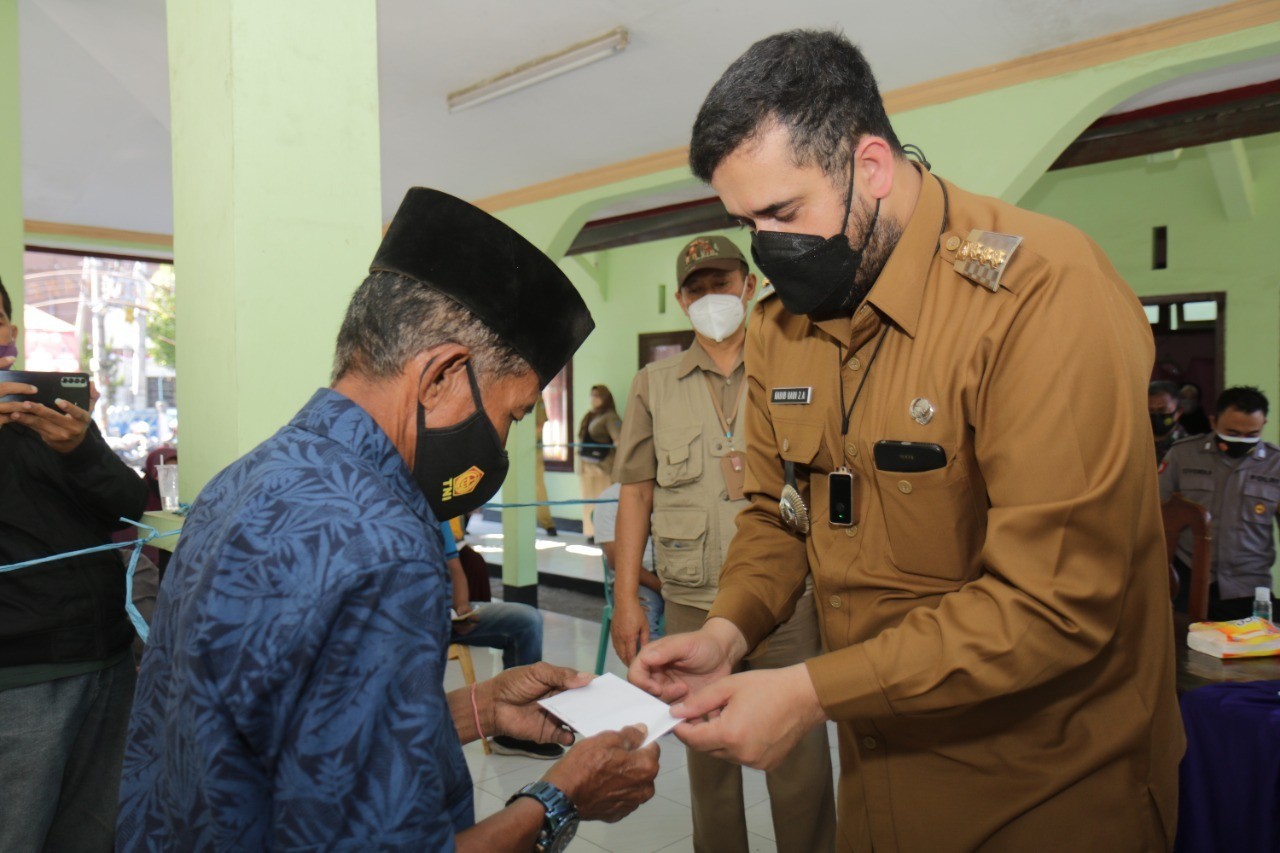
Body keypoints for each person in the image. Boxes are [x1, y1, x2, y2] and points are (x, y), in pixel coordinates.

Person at [630, 31, 1182, 851]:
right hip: (879, 772)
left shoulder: (1041, 297)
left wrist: (810, 692)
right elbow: (779, 513)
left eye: (783, 212)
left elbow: (1053, 603)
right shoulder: (786, 324)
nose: (769, 249)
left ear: (874, 167)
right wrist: (729, 630)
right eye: (748, 223)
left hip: (1045, 791)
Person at [117, 188, 659, 851]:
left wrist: (477, 709)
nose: (504, 441)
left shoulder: (248, 477)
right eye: (513, 414)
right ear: (442, 376)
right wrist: (560, 797)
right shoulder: (389, 548)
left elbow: (277, 734)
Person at [613, 235, 836, 852]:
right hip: (691, 600)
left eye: (723, 282)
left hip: (787, 600)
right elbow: (636, 494)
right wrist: (627, 599)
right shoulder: (654, 384)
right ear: (682, 300)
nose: (712, 296)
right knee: (707, 763)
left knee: (800, 760)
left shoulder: (793, 366)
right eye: (697, 287)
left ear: (751, 284)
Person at [0, 277, 148, 853]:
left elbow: (130, 507)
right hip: (21, 676)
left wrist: (82, 448)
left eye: (7, 317)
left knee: (96, 832)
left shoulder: (44, 412)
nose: (7, 331)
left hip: (106, 655)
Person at [441, 520, 564, 758]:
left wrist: (462, 608)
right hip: (407, 626)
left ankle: (513, 734)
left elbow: (454, 566)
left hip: (446, 616)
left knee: (525, 620)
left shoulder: (434, 512)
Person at [1160, 385, 1279, 620]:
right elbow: (1157, 513)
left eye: (1251, 434)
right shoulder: (1183, 455)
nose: (1242, 441)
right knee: (1186, 652)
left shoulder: (1276, 466)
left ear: (1263, 425)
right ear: (1214, 423)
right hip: (1187, 581)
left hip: (1248, 587)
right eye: (1232, 433)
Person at [593, 481, 663, 640]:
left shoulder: (673, 493)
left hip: (676, 576)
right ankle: (650, 663)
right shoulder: (610, 498)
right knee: (642, 626)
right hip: (638, 579)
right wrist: (662, 587)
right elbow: (616, 560)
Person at [577, 384, 621, 541]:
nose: (594, 399)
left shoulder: (610, 417)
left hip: (604, 468)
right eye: (592, 395)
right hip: (587, 468)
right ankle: (591, 532)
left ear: (605, 398)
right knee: (589, 501)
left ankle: (605, 534)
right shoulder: (591, 415)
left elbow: (619, 440)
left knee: (604, 502)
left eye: (598, 396)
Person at [534, 396, 557, 535]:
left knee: (538, 487)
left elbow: (540, 425)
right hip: (514, 451)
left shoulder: (537, 397)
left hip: (533, 449)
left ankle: (547, 523)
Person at [1150, 379, 1189, 463]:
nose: (1156, 415)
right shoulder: (1135, 445)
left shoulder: (1190, 448)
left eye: (1162, 410)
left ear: (1179, 412)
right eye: (1151, 411)